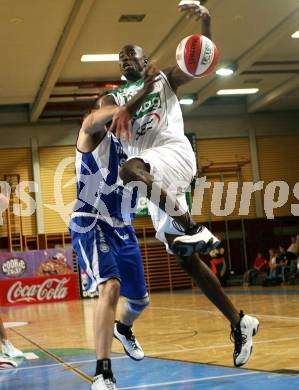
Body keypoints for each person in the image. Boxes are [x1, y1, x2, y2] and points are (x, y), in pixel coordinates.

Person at [84, 0, 259, 370]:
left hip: (172, 156)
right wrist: (133, 99)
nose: (124, 61)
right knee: (188, 260)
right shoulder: (112, 98)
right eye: (120, 60)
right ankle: (239, 321)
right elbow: (110, 119)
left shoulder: (164, 79)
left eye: (130, 56)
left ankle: (193, 227)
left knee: (129, 168)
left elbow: (202, 62)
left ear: (145, 59)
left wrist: (206, 22)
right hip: (155, 184)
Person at [70, 94, 149, 390]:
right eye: (108, 106)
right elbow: (91, 121)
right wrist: (121, 108)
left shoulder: (128, 146)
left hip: (122, 226)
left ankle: (123, 328)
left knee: (140, 300)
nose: (113, 112)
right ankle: (102, 373)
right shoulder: (91, 134)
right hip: (91, 220)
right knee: (111, 287)